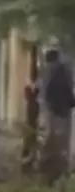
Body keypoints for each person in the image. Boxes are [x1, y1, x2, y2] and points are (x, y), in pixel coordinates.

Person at [41, 49, 75, 180]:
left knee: (53, 139)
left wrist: (49, 107)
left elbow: (47, 92)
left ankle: (51, 170)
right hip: (63, 110)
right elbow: (67, 89)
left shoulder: (51, 71)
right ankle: (60, 170)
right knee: (62, 141)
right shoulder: (62, 70)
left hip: (55, 111)